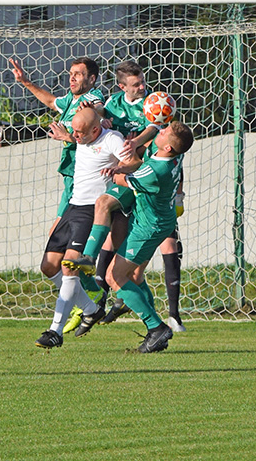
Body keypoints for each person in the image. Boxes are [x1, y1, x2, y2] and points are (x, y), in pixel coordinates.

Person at [65, 62, 187, 332]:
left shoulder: (153, 106)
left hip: (141, 177)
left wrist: (133, 146)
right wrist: (97, 116)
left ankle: (167, 318)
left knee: (106, 208)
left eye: (143, 82)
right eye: (136, 84)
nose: (143, 87)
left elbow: (157, 129)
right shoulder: (112, 103)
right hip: (137, 181)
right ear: (122, 87)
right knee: (126, 268)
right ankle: (153, 321)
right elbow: (95, 117)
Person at [10, 56, 107, 327]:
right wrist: (26, 82)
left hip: (84, 186)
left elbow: (97, 111)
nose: (72, 77)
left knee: (64, 258)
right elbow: (52, 102)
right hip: (69, 183)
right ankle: (87, 303)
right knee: (51, 261)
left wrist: (72, 135)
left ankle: (89, 298)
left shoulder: (93, 98)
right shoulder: (70, 101)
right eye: (71, 73)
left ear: (92, 79)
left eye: (78, 74)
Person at [34, 107, 129, 349]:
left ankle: (55, 331)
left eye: (79, 132)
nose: (74, 136)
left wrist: (118, 169)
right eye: (73, 131)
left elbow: (132, 161)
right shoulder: (83, 137)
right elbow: (81, 132)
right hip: (72, 207)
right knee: (48, 266)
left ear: (96, 129)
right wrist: (68, 136)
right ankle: (91, 307)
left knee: (69, 267)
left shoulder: (112, 139)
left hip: (91, 211)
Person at [102, 121, 195, 353]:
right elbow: (140, 163)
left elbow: (124, 180)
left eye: (164, 132)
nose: (160, 131)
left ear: (168, 148)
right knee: (133, 275)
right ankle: (155, 328)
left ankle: (156, 327)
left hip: (147, 228)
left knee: (114, 277)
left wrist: (112, 169)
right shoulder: (172, 158)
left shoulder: (155, 172)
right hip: (159, 221)